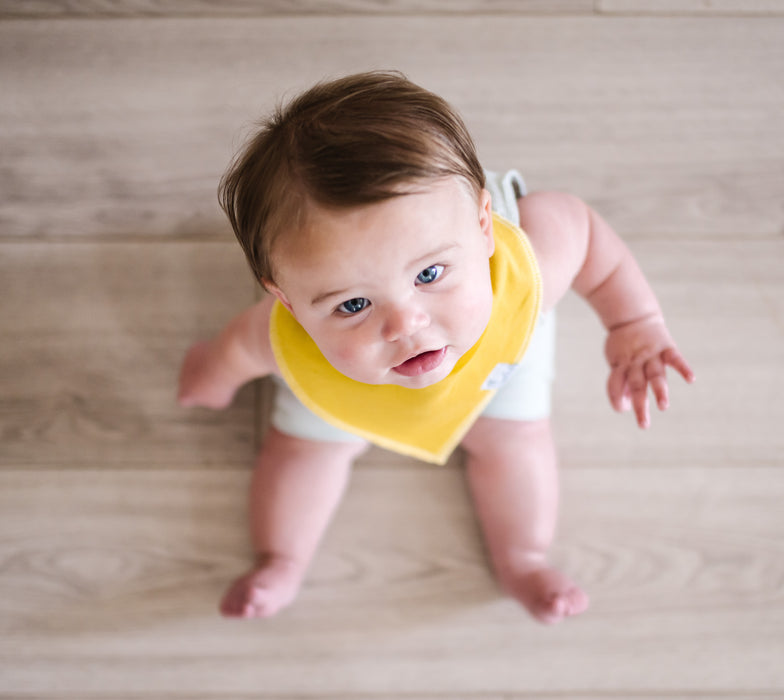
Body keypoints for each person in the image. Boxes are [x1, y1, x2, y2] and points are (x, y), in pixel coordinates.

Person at [178, 71, 694, 625]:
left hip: (499, 351)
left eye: (429, 273)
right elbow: (238, 349)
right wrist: (214, 371)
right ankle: (281, 559)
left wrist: (634, 322)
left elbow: (591, 240)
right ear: (286, 298)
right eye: (352, 305)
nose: (406, 324)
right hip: (349, 384)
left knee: (516, 442)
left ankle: (523, 558)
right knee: (302, 452)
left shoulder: (535, 259)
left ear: (483, 224)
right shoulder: (286, 336)